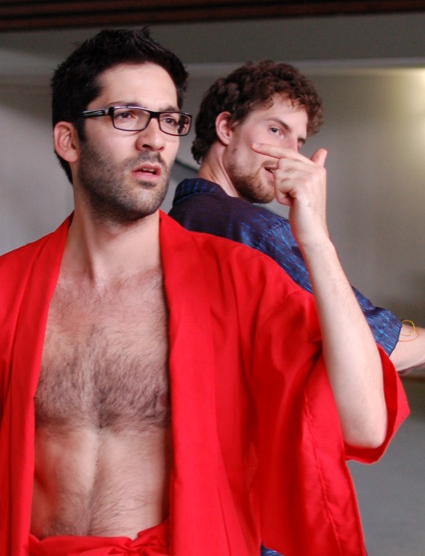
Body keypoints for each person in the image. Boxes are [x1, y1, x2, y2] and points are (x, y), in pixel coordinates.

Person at [0, 30, 408, 556]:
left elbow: (365, 425)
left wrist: (316, 240)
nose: (155, 139)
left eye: (169, 120)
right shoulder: (10, 289)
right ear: (69, 141)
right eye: (128, 115)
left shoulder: (240, 280)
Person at [169, 60, 425, 375]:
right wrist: (315, 227)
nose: (291, 154)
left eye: (299, 143)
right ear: (226, 128)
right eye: (276, 130)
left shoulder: (182, 215)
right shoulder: (250, 228)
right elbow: (375, 344)